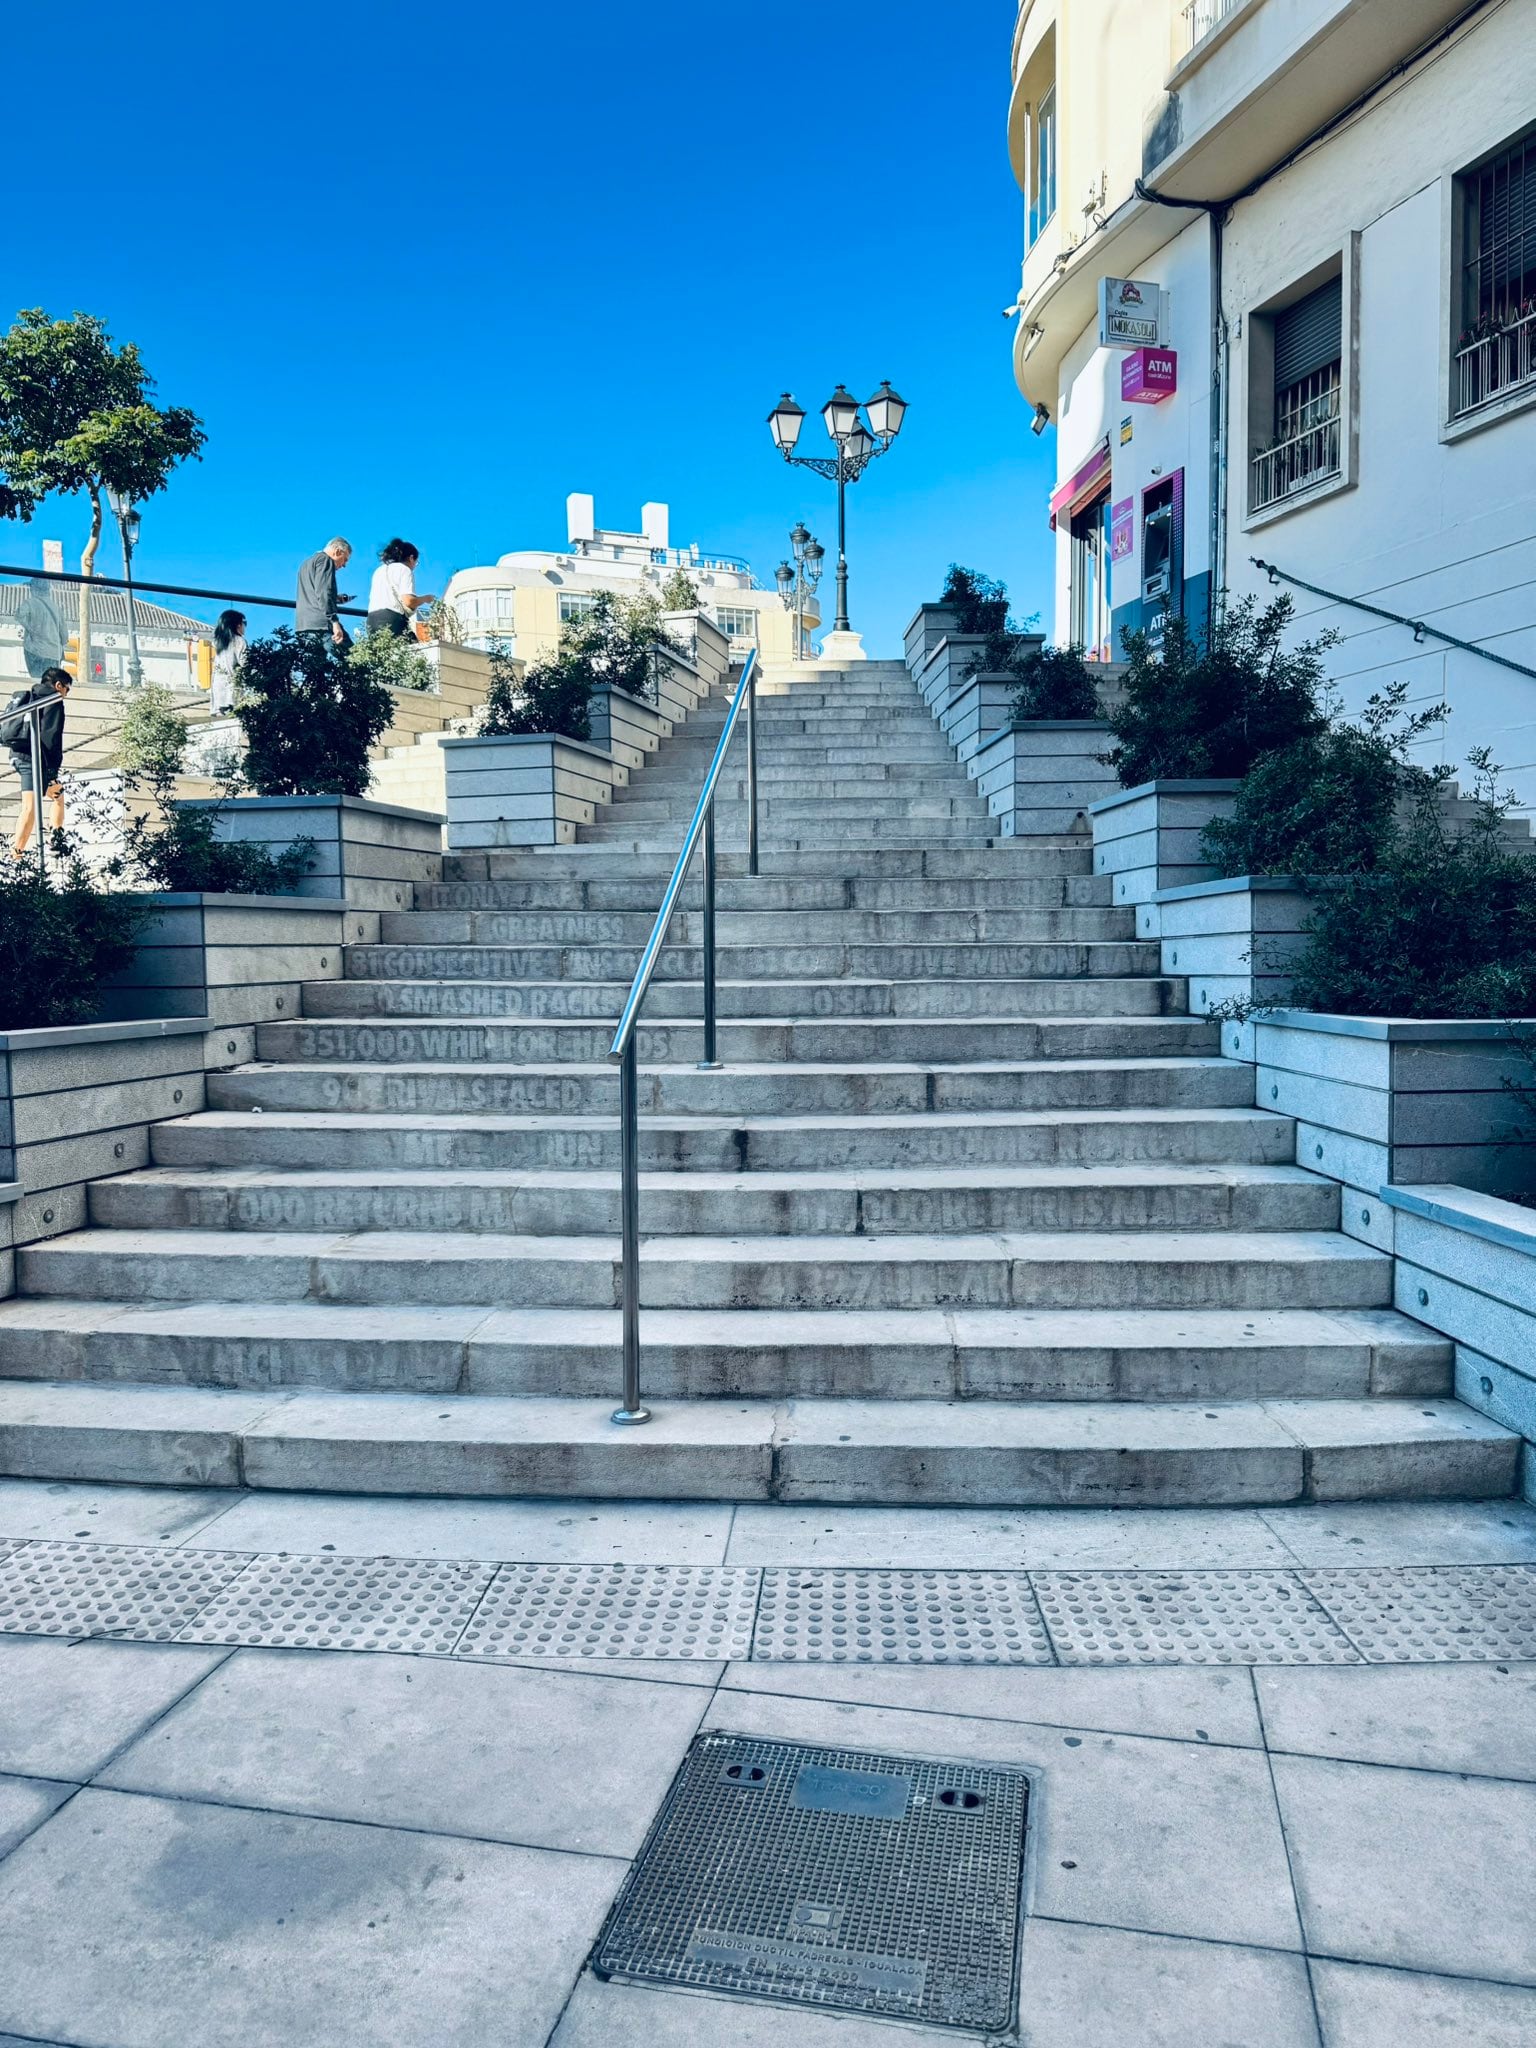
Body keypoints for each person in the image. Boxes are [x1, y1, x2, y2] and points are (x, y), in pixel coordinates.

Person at [5, 666, 70, 856]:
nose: (66, 694)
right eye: (67, 688)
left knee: (58, 794)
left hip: (19, 754)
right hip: (31, 759)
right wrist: (52, 771)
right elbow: (51, 736)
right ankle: (16, 855)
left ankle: (55, 841)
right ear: (58, 685)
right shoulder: (53, 700)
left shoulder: (31, 696)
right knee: (30, 808)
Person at [366, 538, 437, 639]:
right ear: (411, 558)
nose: (415, 566)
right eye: (416, 562)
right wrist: (426, 598)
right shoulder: (404, 569)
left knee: (382, 653)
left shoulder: (379, 571)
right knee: (416, 652)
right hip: (391, 620)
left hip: (371, 621)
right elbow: (409, 601)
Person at [295, 537, 354, 650]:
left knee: (314, 665)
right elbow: (324, 592)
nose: (344, 565)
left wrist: (335, 598)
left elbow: (315, 591)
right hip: (322, 624)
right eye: (345, 559)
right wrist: (334, 621)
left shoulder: (306, 564)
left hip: (303, 624)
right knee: (354, 659)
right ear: (337, 551)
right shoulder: (325, 560)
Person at [19, 577, 65, 681]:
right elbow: (64, 636)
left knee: (38, 679)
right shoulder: (55, 608)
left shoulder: (30, 604)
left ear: (34, 590)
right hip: (52, 653)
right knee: (48, 681)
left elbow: (19, 616)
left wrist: (31, 629)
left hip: (34, 652)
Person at [211, 609, 246, 715]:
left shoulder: (218, 643)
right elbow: (246, 663)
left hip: (218, 691)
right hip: (233, 689)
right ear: (238, 625)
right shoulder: (239, 641)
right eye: (244, 623)